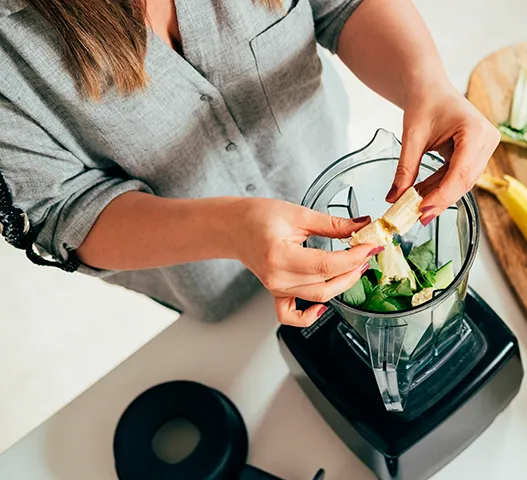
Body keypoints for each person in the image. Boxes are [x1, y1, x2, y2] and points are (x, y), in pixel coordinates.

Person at [0, 0, 499, 326]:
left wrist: (426, 80)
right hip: (205, 278)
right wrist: (230, 230)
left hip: (319, 165)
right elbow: (61, 210)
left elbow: (341, 6)